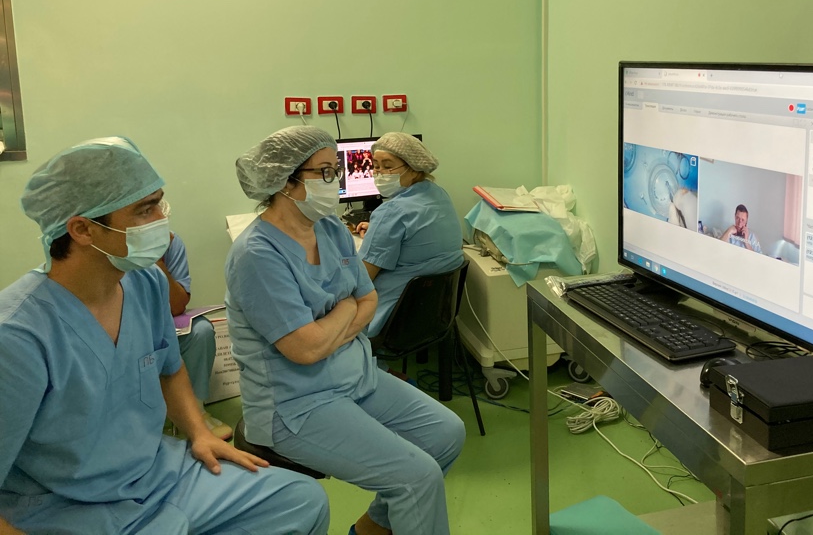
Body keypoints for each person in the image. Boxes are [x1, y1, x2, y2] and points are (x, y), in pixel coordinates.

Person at [0, 136, 328, 535]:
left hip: (155, 472)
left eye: (159, 203)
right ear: (83, 229)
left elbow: (169, 369)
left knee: (300, 501)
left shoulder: (146, 282)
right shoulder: (17, 334)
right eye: (145, 209)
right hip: (67, 507)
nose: (161, 219)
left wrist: (199, 433)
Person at [225, 126, 466, 535]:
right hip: (297, 404)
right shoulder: (257, 254)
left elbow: (368, 300)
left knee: (447, 434)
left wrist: (339, 318)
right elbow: (305, 349)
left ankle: (370, 529)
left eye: (334, 170)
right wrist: (347, 308)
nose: (334, 181)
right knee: (417, 477)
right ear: (285, 182)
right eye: (324, 172)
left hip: (356, 376)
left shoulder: (331, 229)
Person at [355, 132, 464, 337]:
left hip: (392, 316)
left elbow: (362, 279)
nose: (379, 173)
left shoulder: (391, 212)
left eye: (388, 166)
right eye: (376, 166)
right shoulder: (438, 194)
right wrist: (379, 231)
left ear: (413, 169)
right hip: (434, 314)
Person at [156, 203, 233, 440]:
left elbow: (177, 305)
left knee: (201, 331)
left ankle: (195, 412)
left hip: (165, 321)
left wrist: (157, 261)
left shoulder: (172, 244)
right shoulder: (111, 249)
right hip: (125, 326)